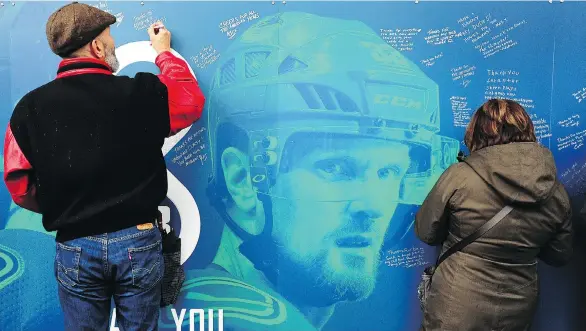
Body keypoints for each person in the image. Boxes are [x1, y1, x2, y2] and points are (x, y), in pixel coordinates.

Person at [158, 12, 459, 331]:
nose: (372, 206)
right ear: (242, 179)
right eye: (337, 168)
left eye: (387, 172)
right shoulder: (254, 320)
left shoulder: (206, 311)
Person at [2, 2, 205, 330]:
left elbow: (20, 186)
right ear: (97, 46)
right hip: (137, 241)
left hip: (75, 247)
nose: (112, 45)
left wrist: (70, 205)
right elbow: (189, 100)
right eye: (109, 38)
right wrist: (164, 53)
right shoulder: (142, 92)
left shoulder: (28, 110)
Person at [415, 99, 573, 331]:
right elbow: (559, 255)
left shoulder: (460, 176)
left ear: (476, 132)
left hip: (456, 303)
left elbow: (426, 232)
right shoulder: (556, 192)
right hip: (518, 307)